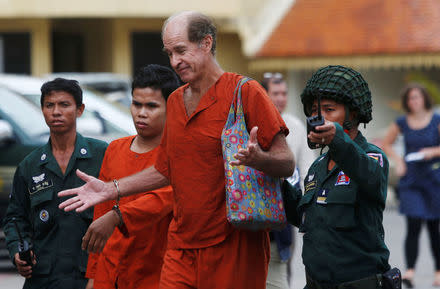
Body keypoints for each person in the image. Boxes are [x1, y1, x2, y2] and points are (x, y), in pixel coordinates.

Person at [58, 11, 295, 289]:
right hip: (181, 244)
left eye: (181, 51)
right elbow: (165, 169)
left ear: (206, 43)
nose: (174, 62)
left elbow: (286, 162)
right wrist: (112, 189)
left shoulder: (245, 91)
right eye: (169, 53)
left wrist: (259, 160)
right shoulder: (175, 101)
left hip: (234, 242)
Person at [283, 65, 393, 289]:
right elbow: (303, 216)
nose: (318, 117)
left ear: (352, 113)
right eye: (314, 110)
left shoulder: (373, 157)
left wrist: (338, 140)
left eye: (329, 109)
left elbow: (371, 179)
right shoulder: (317, 166)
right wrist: (274, 177)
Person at [2, 78, 108, 289]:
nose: (56, 112)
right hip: (43, 279)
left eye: (64, 105)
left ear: (80, 110)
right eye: (49, 105)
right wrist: (17, 252)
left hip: (89, 277)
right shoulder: (29, 165)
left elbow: (122, 206)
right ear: (42, 110)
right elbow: (15, 218)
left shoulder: (103, 155)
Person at [83, 64, 179, 289]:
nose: (141, 113)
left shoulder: (178, 154)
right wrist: (93, 277)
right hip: (110, 272)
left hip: (155, 274)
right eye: (136, 104)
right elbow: (100, 217)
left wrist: (117, 216)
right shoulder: (115, 149)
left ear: (172, 107)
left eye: (151, 106)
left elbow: (161, 199)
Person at [382, 83, 440, 288]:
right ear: (406, 101)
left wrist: (434, 151)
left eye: (417, 97)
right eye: (410, 98)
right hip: (411, 180)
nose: (414, 101)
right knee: (413, 226)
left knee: (434, 227)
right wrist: (399, 160)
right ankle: (410, 271)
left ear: (424, 99)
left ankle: (438, 270)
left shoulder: (438, 120)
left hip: (434, 179)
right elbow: (386, 144)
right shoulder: (402, 122)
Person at [262, 72, 315, 289]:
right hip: (255, 207)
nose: (281, 98)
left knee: (284, 264)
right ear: (264, 94)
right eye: (276, 93)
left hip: (286, 208)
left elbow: (306, 169)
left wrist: (307, 206)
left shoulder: (295, 125)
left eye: (284, 93)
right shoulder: (251, 124)